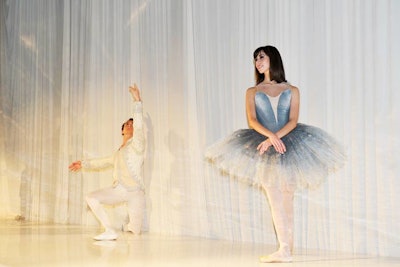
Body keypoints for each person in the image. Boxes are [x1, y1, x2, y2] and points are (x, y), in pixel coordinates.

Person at [205, 46, 345, 263]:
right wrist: (270, 138)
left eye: (261, 57)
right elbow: (252, 120)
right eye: (255, 59)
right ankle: (285, 248)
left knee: (287, 196)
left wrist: (275, 137)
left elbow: (293, 120)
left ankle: (286, 248)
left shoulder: (292, 89)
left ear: (273, 58)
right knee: (274, 197)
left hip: (288, 142)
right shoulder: (252, 91)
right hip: (264, 143)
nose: (257, 62)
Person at [69, 84, 145, 241]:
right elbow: (101, 162)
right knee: (91, 197)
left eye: (132, 124)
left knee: (135, 235)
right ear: (122, 130)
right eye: (127, 124)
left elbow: (138, 128)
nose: (130, 125)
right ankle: (109, 230)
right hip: (120, 190)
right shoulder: (117, 153)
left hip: (136, 193)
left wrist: (137, 102)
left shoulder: (138, 145)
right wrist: (83, 163)